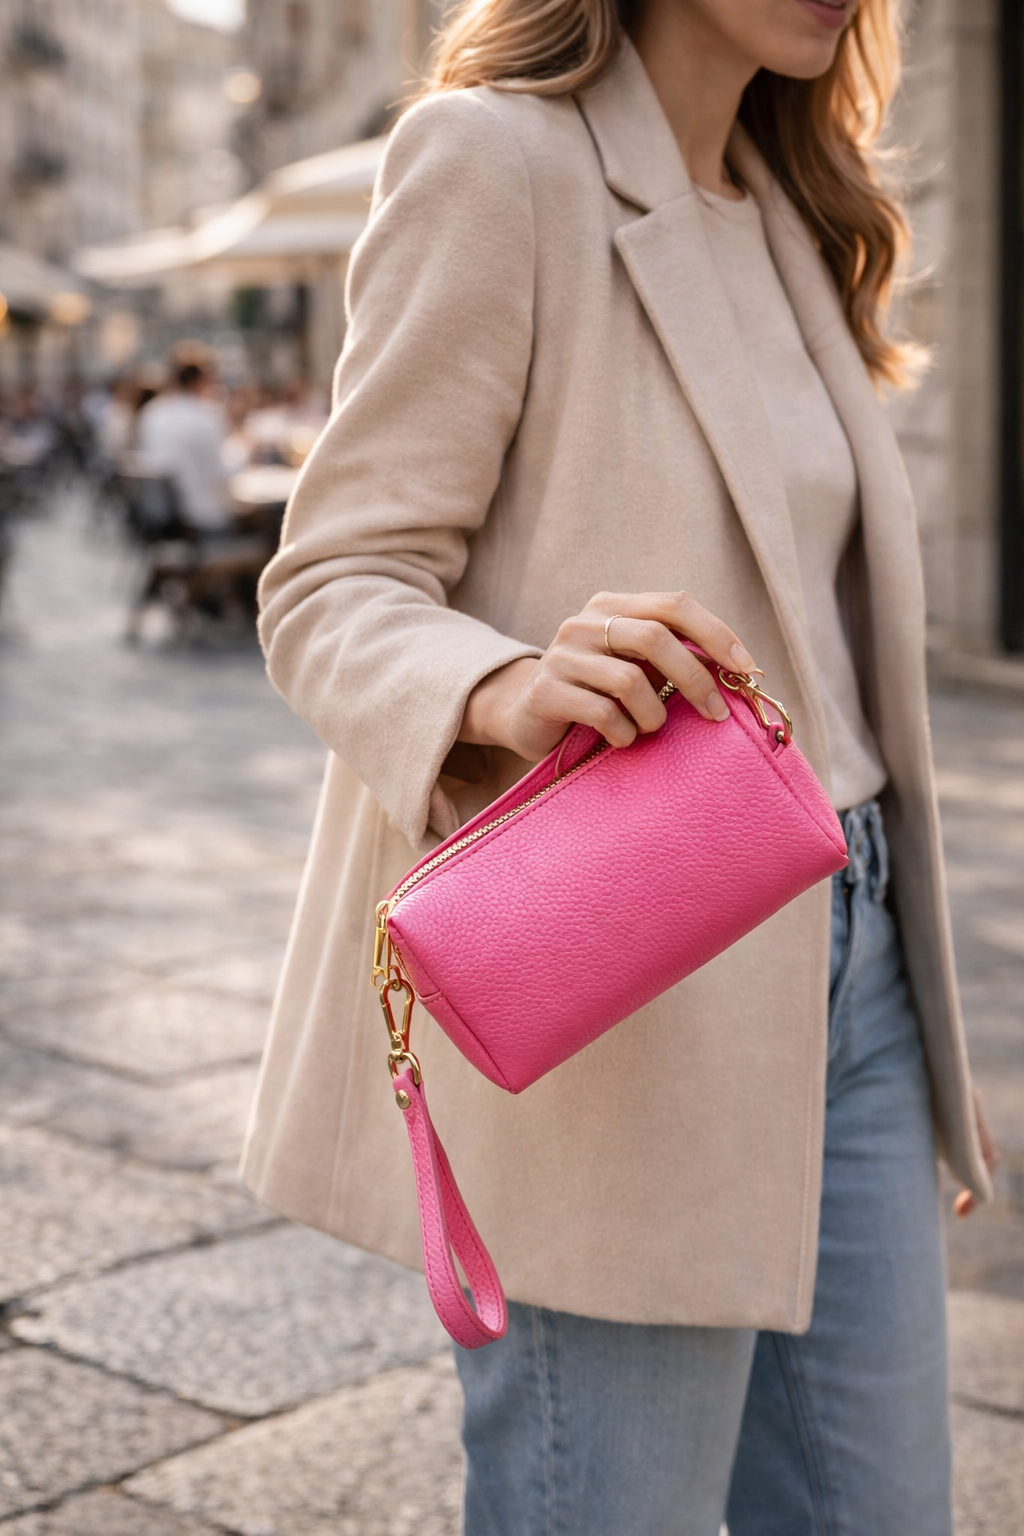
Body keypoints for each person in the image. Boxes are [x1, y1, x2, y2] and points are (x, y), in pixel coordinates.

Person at [239, 1, 999, 1531]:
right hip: (638, 985)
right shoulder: (494, 164)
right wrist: (502, 683)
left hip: (859, 971)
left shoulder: (800, 204)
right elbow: (331, 582)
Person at [136, 344, 232, 536]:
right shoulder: (206, 415)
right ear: (201, 380)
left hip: (162, 522)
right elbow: (221, 474)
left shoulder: (151, 413)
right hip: (204, 518)